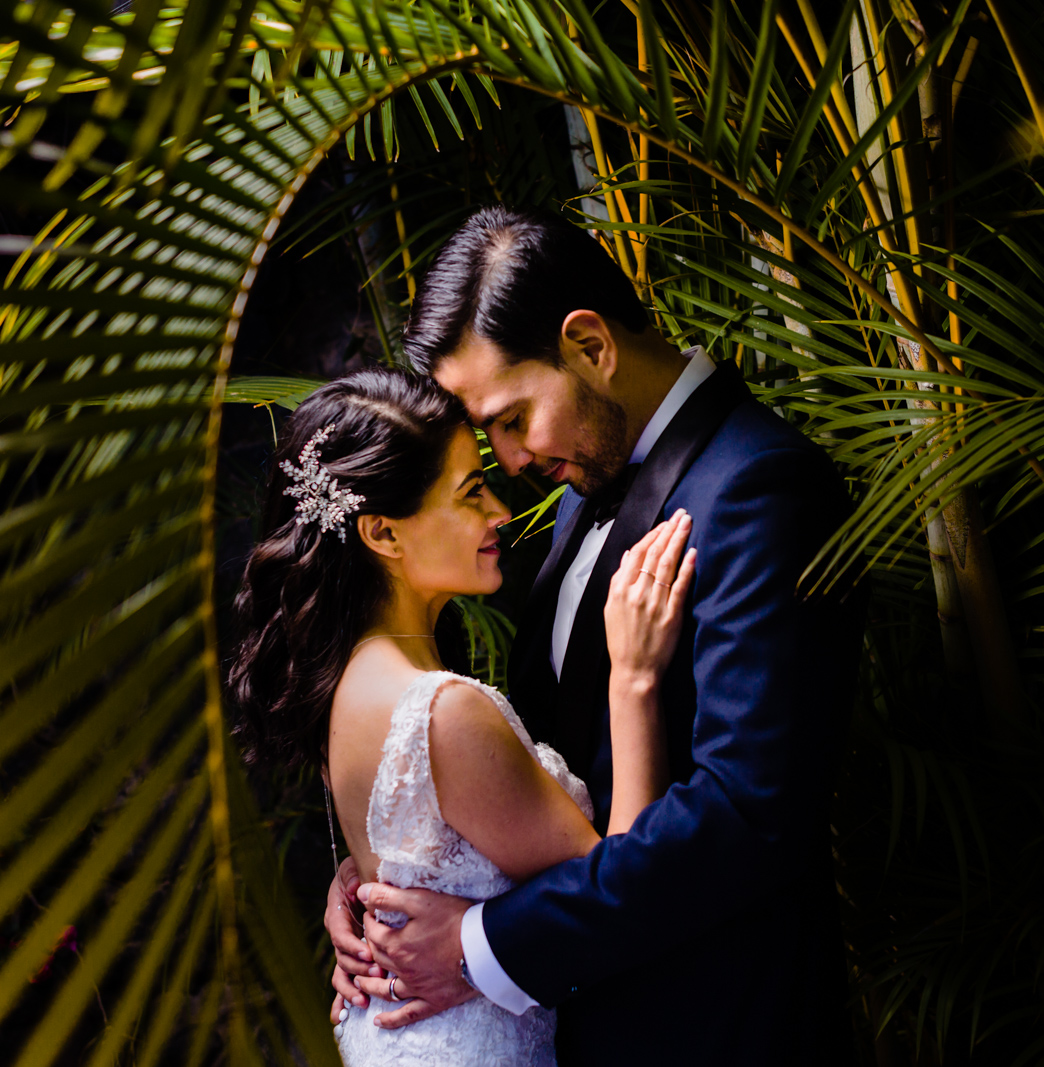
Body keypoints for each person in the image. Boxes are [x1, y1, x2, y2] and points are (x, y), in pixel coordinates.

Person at [321, 206, 862, 1065]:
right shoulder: (583, 480)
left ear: (590, 346)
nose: (505, 459)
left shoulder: (761, 487)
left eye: (507, 417)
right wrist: (396, 877)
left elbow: (744, 818)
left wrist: (478, 945)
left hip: (713, 1028)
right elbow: (536, 766)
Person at [229, 369, 695, 1066]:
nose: (500, 512)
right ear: (382, 531)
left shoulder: (342, 685)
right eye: (471, 492)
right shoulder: (442, 712)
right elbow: (623, 901)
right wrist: (633, 680)